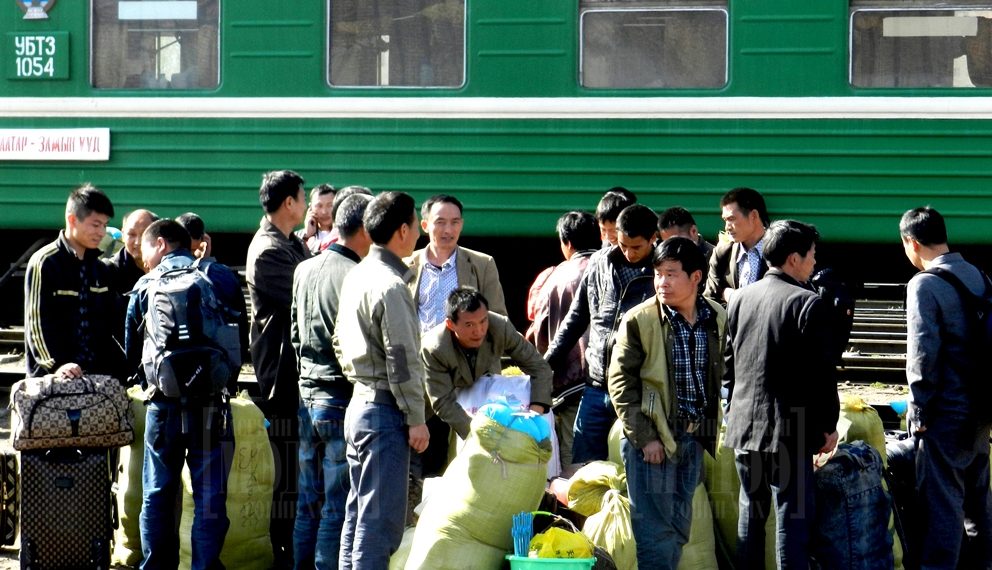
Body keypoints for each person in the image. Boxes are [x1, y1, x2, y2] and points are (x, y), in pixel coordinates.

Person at [125, 219, 246, 570]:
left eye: (146, 250)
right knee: (209, 497)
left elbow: (133, 350)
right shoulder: (219, 275)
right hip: (211, 405)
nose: (143, 258)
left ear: (161, 244)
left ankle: (157, 566)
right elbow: (239, 337)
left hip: (163, 406)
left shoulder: (146, 283)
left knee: (158, 494)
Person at [723, 220, 839, 570]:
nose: (814, 263)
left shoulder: (740, 298)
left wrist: (732, 412)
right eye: (811, 256)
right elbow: (821, 375)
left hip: (744, 428)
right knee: (793, 520)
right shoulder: (808, 304)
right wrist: (827, 426)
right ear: (793, 258)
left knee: (751, 514)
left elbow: (728, 365)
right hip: (790, 431)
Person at [608, 237, 726, 569]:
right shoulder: (639, 320)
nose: (662, 282)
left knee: (677, 530)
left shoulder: (716, 316)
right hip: (655, 438)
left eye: (671, 274)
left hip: (692, 438)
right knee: (654, 533)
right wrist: (646, 438)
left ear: (696, 278)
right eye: (658, 274)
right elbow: (620, 383)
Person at [334, 192, 428, 569]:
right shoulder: (391, 286)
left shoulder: (357, 274)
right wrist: (416, 417)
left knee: (357, 515)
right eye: (418, 222)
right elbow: (402, 360)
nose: (420, 229)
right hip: (385, 412)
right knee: (381, 524)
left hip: (360, 403)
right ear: (403, 230)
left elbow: (338, 341)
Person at [899, 206, 992, 568]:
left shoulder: (924, 284)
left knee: (943, 505)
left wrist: (917, 409)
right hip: (980, 409)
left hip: (945, 414)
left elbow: (922, 353)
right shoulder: (978, 275)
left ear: (912, 242)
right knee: (978, 501)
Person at [290, 193, 373, 569]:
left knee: (308, 500)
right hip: (341, 396)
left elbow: (294, 334)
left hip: (307, 393)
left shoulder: (304, 268)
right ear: (365, 228)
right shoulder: (357, 275)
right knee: (337, 505)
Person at [545, 204, 658, 465]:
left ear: (654, 239)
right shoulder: (598, 262)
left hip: (637, 392)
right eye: (622, 244)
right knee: (584, 467)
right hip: (595, 386)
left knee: (630, 469)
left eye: (636, 247)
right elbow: (575, 320)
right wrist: (546, 363)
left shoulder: (662, 273)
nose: (628, 253)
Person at [246, 169, 311, 568]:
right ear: (289, 203)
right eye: (301, 198)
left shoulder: (290, 242)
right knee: (286, 466)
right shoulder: (269, 250)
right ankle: (282, 549)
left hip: (293, 370)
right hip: (282, 375)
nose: (304, 205)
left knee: (296, 462)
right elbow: (305, 294)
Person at [422, 287, 552, 440]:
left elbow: (539, 367)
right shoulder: (434, 348)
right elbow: (442, 402)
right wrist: (483, 435)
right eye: (469, 325)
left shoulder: (500, 326)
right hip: (426, 408)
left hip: (473, 395)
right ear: (451, 324)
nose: (478, 331)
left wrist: (534, 414)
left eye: (483, 321)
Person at [525, 211, 600, 475]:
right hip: (611, 386)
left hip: (572, 389)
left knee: (576, 469)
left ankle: (581, 518)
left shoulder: (553, 278)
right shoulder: (611, 268)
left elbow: (539, 332)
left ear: (566, 243)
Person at [24, 184, 124, 380]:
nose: (102, 232)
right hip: (53, 380)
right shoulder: (45, 262)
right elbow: (36, 322)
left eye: (105, 225)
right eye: (95, 224)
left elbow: (111, 324)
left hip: (95, 378)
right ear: (72, 220)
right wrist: (56, 365)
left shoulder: (101, 269)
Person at [407, 193, 507, 333]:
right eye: (440, 222)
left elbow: (498, 319)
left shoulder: (483, 265)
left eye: (455, 222)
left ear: (461, 224)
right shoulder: (405, 265)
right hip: (417, 352)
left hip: (463, 353)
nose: (448, 230)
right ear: (425, 225)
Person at [703, 187, 769, 305]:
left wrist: (730, 295)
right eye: (725, 220)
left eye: (732, 219)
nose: (727, 227)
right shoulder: (722, 254)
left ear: (753, 215)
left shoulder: (781, 251)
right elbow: (710, 299)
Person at [297, 183, 336, 253]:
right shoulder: (298, 237)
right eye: (319, 206)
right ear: (310, 207)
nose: (324, 212)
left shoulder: (345, 235)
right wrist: (307, 235)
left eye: (330, 205)